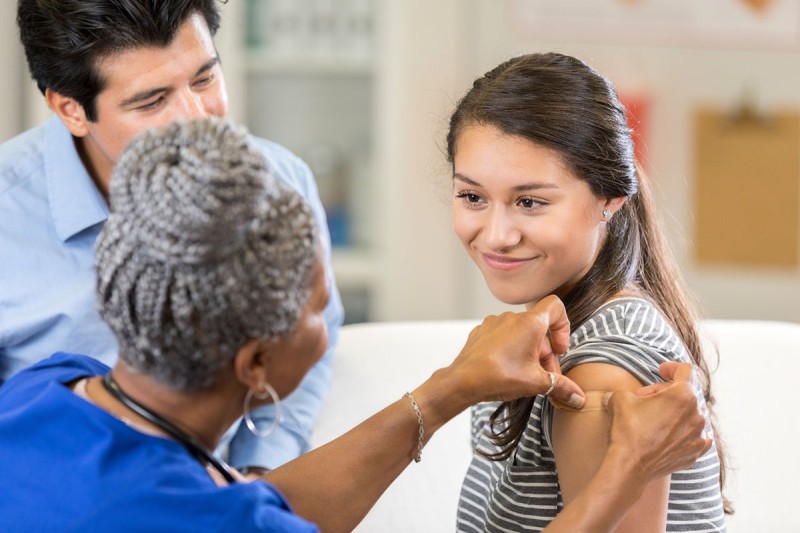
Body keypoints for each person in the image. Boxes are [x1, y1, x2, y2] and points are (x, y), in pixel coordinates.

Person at [0, 117, 712, 532]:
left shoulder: (46, 390)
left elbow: (255, 502)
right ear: (256, 364)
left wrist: (447, 390)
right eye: (317, 305)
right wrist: (626, 467)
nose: (329, 316)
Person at [0, 0, 344, 473]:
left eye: (205, 78)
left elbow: (306, 340)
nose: (197, 118)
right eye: (152, 101)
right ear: (70, 109)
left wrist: (261, 472)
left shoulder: (278, 180)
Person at [448, 52, 728, 532]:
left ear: (610, 200)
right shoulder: (565, 329)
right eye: (473, 197)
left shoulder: (598, 374)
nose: (496, 235)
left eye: (530, 202)